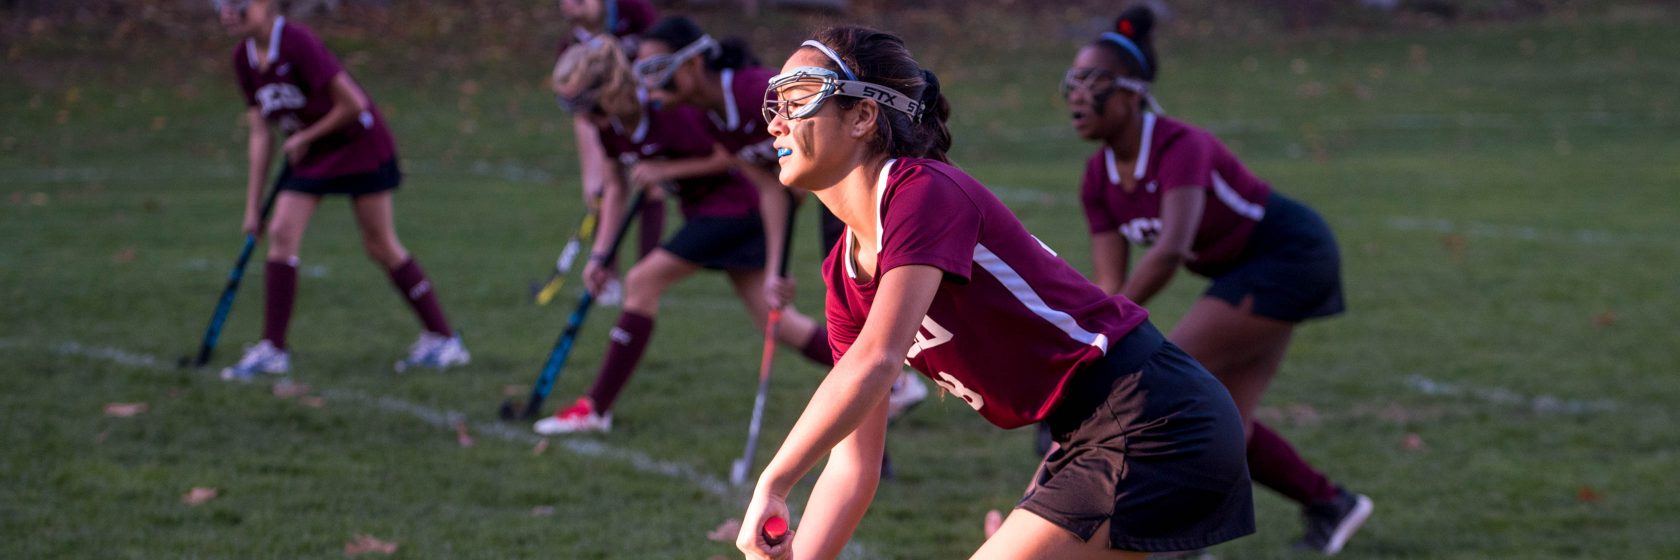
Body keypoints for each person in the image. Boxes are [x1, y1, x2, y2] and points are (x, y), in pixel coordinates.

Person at [738, 27, 1254, 559]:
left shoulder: (921, 190)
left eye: (799, 103)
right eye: (775, 105)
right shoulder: (843, 277)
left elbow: (877, 358)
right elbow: (853, 468)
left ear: (863, 116)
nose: (776, 122)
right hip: (1090, 431)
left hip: (1152, 416)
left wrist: (772, 482)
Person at [1063, 6, 1372, 554]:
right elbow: (1113, 284)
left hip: (1289, 253)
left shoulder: (1182, 146)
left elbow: (1169, 252)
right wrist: (1093, 335)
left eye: (1095, 83)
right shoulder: (1097, 176)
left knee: (1165, 385)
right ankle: (1331, 503)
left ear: (1134, 94)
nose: (1078, 96)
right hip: (1244, 270)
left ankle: (1181, 536)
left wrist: (1105, 341)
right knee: (1228, 419)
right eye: (1072, 83)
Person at [533, 39, 836, 435]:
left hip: (736, 207)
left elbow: (727, 154)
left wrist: (666, 172)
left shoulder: (668, 110)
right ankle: (888, 381)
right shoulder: (609, 129)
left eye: (587, 106)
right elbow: (616, 189)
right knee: (777, 323)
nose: (585, 119)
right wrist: (601, 255)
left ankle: (596, 407)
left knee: (643, 281)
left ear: (607, 90)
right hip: (711, 214)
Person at [631, 15, 926, 418]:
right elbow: (772, 190)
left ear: (693, 63)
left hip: (853, 189)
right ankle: (874, 435)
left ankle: (892, 395)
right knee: (850, 322)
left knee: (889, 322)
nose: (650, 86)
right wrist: (774, 271)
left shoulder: (753, 90)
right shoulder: (709, 117)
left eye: (658, 70)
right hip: (828, 197)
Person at [215, 0, 468, 381]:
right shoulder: (243, 59)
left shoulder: (297, 41)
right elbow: (260, 133)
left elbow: (353, 103)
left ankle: (443, 339)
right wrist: (253, 207)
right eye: (220, 4)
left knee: (380, 245)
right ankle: (273, 349)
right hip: (311, 153)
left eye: (238, 3)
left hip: (359, 144)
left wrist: (307, 135)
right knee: (282, 232)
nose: (228, 12)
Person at [550, 0, 665, 260]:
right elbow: (582, 115)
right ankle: (605, 270)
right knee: (598, 191)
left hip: (642, 112)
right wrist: (591, 173)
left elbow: (661, 54)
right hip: (603, 121)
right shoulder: (569, 47)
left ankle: (647, 264)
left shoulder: (633, 10)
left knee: (652, 186)